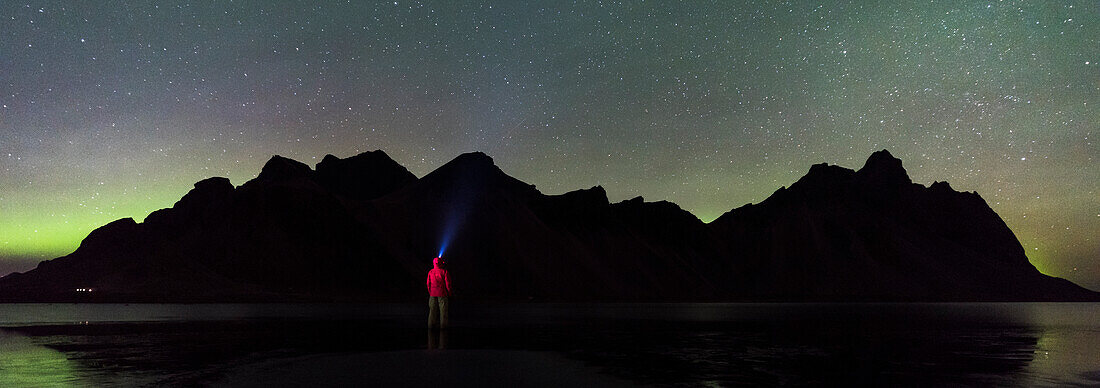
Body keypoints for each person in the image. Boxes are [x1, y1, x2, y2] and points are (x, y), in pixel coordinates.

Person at [426, 256, 452, 329]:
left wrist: (430, 292)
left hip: (432, 294)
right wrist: (449, 293)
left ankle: (430, 327)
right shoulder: (444, 272)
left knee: (432, 311)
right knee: (443, 312)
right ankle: (443, 328)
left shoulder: (430, 272)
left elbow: (428, 284)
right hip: (442, 294)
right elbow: (448, 284)